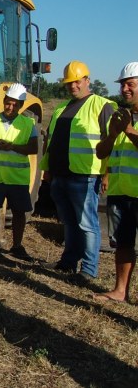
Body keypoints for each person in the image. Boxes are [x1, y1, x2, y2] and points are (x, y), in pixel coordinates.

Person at [40, 61, 116, 284]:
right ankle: (68, 261)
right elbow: (51, 142)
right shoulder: (62, 108)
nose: (73, 86)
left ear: (87, 81)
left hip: (85, 176)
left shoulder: (102, 105)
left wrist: (107, 174)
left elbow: (111, 142)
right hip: (61, 175)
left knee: (87, 224)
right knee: (70, 222)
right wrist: (47, 169)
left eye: (77, 82)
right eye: (69, 83)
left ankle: (89, 270)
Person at [92, 62, 138, 303]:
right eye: (123, 86)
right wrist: (112, 134)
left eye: (130, 84)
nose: (125, 90)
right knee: (123, 244)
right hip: (121, 193)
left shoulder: (127, 122)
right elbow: (101, 153)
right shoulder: (122, 117)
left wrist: (128, 130)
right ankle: (120, 291)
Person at [0, 83, 39, 259]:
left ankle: (17, 245)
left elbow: (33, 148)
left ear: (21, 106)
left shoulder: (28, 124)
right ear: (4, 101)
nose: (10, 107)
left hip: (17, 178)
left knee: (19, 212)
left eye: (15, 105)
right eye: (8, 103)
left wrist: (12, 146)